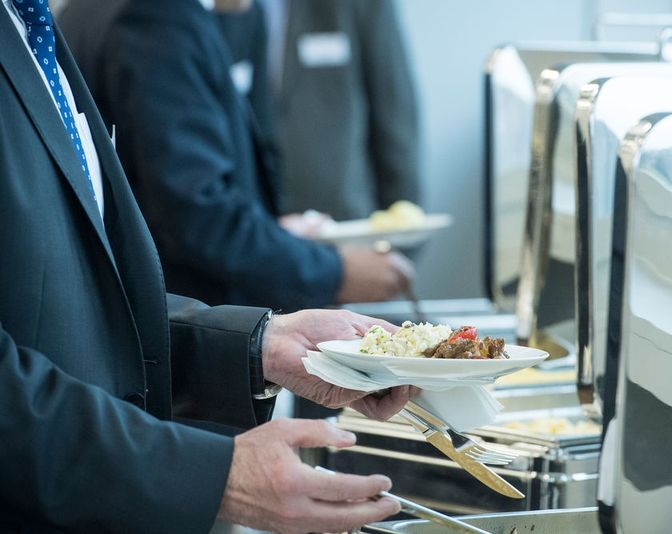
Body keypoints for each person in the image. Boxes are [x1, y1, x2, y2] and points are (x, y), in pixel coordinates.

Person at [0, 0, 413, 531]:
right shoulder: (144, 16)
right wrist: (214, 475)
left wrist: (259, 344)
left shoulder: (33, 23)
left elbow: (69, 306)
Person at [57, 0, 414, 314]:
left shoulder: (84, 8)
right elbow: (195, 213)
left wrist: (276, 232)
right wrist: (335, 273)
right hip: (182, 319)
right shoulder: (157, 16)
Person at [221, 0, 420, 221]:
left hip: (344, 227)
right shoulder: (211, 9)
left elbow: (393, 114)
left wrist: (398, 231)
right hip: (243, 229)